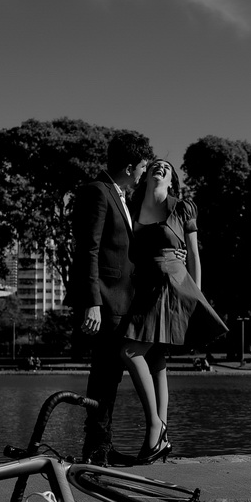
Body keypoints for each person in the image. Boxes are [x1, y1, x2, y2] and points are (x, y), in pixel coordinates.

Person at [121, 159, 228, 464]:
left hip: (171, 283)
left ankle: (155, 425)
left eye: (167, 168)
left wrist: (196, 296)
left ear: (172, 180)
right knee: (154, 356)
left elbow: (193, 254)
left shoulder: (182, 208)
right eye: (156, 165)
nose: (161, 168)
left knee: (129, 352)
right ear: (147, 175)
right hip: (142, 287)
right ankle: (161, 435)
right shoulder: (131, 205)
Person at [65, 130, 154, 466]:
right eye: (143, 166)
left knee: (109, 375)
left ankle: (100, 448)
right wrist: (93, 302)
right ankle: (96, 450)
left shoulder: (122, 197)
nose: (144, 172)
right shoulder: (97, 192)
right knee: (103, 375)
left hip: (121, 302)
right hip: (105, 300)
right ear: (130, 166)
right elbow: (88, 248)